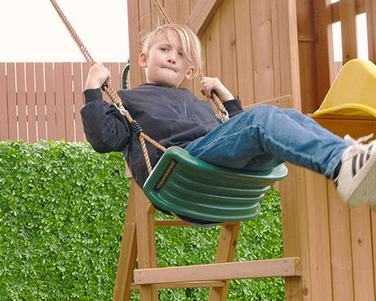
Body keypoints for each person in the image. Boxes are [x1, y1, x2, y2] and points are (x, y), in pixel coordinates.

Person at [81, 22, 376, 208]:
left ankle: (356, 167)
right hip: (182, 166)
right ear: (144, 58)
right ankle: (342, 165)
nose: (173, 56)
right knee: (264, 117)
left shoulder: (198, 102)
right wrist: (93, 88)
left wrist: (226, 97)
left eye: (182, 55)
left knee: (289, 117)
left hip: (221, 166)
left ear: (191, 71)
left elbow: (240, 133)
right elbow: (103, 138)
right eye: (165, 49)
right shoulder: (129, 101)